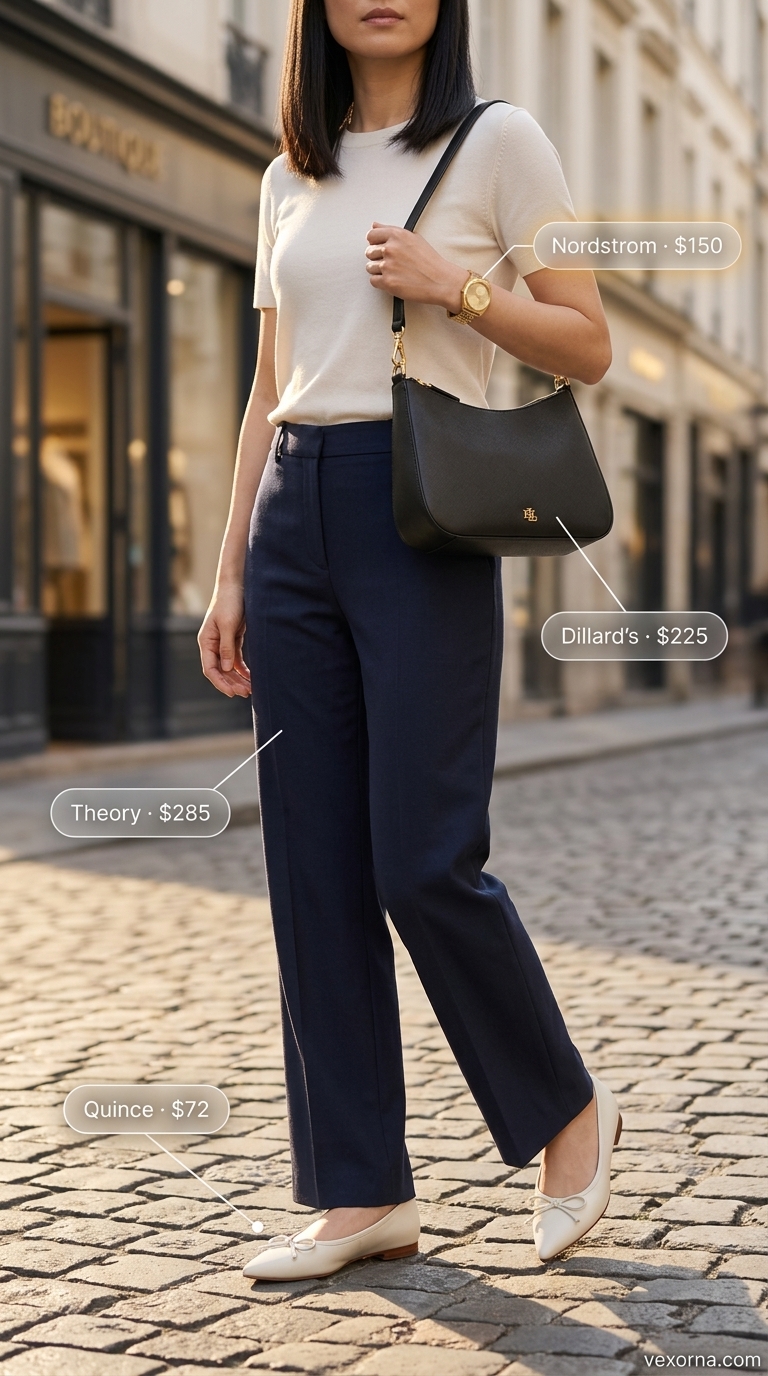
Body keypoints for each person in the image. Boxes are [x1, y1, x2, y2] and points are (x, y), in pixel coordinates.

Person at [199, 0, 619, 1280]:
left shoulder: (502, 141)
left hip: (419, 506)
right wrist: (227, 573)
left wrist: (460, 286)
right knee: (311, 863)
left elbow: (589, 343)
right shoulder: (288, 175)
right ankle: (359, 1189)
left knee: (422, 856)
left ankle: (565, 1112)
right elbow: (270, 388)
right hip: (292, 521)